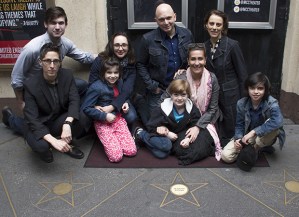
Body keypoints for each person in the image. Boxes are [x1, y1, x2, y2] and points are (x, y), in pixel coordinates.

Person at [2, 6, 94, 136]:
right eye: (53, 23)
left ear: (66, 25)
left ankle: (74, 117)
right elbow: (16, 78)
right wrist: (21, 102)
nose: (57, 27)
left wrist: (105, 58)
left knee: (83, 86)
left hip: (55, 87)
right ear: (45, 24)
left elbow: (84, 57)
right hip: (36, 92)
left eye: (61, 23)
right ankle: (11, 119)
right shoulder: (32, 49)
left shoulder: (65, 44)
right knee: (34, 130)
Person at [160, 43, 223, 164]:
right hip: (185, 121)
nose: (197, 62)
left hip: (207, 122)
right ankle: (204, 149)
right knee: (180, 148)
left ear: (205, 60)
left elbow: (213, 109)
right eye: (193, 59)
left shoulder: (212, 79)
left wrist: (198, 127)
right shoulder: (181, 77)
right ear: (188, 61)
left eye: (200, 58)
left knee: (194, 149)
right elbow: (163, 99)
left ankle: (206, 147)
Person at [23, 44, 85, 163]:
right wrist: (53, 141)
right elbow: (32, 119)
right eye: (48, 61)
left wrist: (67, 123)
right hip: (40, 121)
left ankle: (67, 146)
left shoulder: (67, 75)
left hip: (57, 120)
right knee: (42, 147)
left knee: (82, 115)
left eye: (55, 61)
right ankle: (10, 119)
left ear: (60, 62)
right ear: (40, 62)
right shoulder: (30, 84)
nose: (52, 66)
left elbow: (74, 100)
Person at [135, 1, 194, 125]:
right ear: (156, 20)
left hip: (180, 91)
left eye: (169, 18)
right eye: (162, 19)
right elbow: (140, 64)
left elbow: (193, 57)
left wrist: (186, 68)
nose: (166, 23)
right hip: (159, 90)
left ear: (175, 16)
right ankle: (139, 130)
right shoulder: (148, 39)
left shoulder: (187, 34)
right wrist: (152, 86)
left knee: (179, 125)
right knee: (155, 125)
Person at [221, 72, 286, 171]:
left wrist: (254, 132)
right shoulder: (241, 103)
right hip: (248, 136)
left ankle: (256, 148)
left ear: (265, 90)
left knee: (274, 126)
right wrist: (238, 139)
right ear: (248, 89)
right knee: (225, 157)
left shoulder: (271, 102)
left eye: (260, 88)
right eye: (252, 88)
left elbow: (278, 121)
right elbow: (239, 125)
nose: (256, 92)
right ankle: (252, 149)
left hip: (264, 136)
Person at [203, 9, 248, 146]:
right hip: (213, 95)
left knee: (231, 127)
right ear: (206, 25)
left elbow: (243, 75)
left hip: (231, 96)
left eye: (218, 25)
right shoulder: (204, 46)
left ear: (223, 27)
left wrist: (244, 100)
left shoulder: (232, 45)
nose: (214, 27)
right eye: (211, 23)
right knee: (217, 125)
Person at [81, 57, 137, 163]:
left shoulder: (119, 82)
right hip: (102, 122)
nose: (113, 76)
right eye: (109, 73)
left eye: (116, 72)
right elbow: (86, 108)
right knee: (116, 157)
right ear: (103, 73)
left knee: (131, 151)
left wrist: (123, 104)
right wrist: (104, 116)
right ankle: (107, 138)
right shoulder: (96, 87)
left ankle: (116, 138)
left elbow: (120, 97)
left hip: (118, 119)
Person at [88, 32, 137, 129]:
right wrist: (95, 105)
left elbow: (127, 89)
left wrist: (113, 106)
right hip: (101, 98)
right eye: (117, 45)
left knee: (131, 117)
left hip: (120, 97)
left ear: (128, 47)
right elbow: (92, 82)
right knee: (88, 116)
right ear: (111, 46)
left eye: (124, 45)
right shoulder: (100, 60)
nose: (120, 48)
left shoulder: (131, 63)